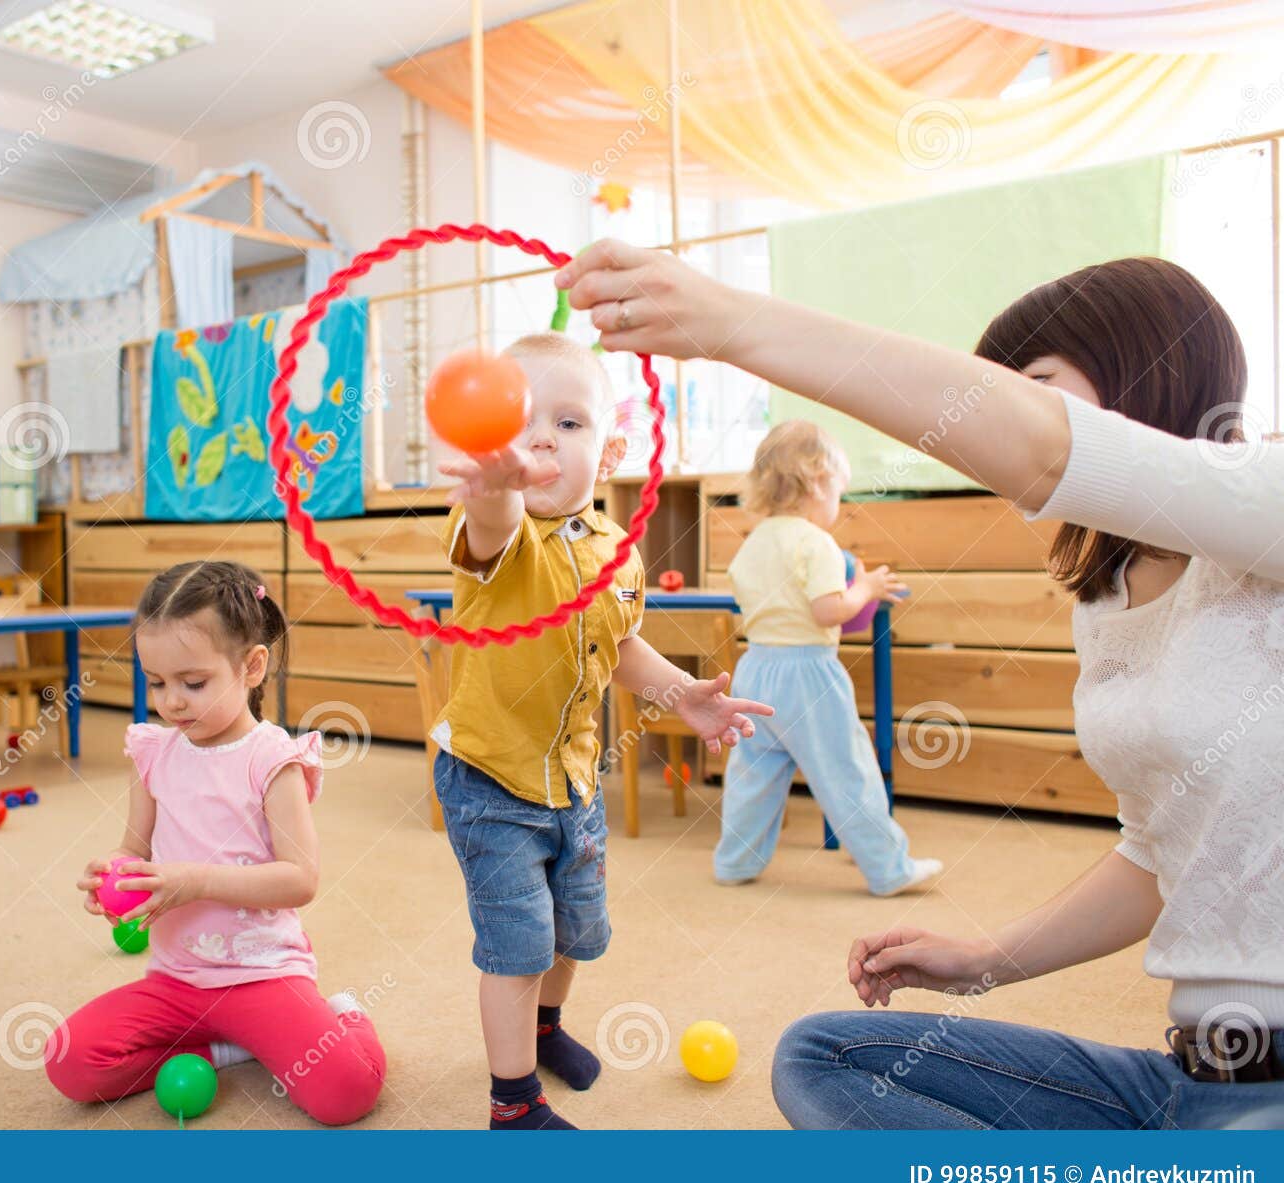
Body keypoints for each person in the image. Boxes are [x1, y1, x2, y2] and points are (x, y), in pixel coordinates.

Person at [555, 242, 1284, 1127]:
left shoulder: (1267, 501)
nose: (993, 430)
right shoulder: (1108, 604)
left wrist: (732, 324)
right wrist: (981, 959)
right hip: (1190, 1081)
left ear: (1143, 369)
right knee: (828, 1057)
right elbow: (1155, 854)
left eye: (1035, 386)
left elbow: (1050, 452)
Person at [432, 331, 772, 1129]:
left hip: (576, 778)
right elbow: (491, 514)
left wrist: (683, 692)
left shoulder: (618, 554)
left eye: (569, 424)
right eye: (520, 423)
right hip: (491, 781)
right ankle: (512, 1106)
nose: (542, 438)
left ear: (611, 450)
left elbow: (619, 643)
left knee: (575, 930)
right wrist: (490, 481)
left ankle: (544, 1031)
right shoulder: (501, 538)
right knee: (517, 942)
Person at [46, 560, 385, 1126]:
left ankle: (343, 1016)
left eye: (193, 683)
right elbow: (134, 848)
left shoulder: (274, 759)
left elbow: (300, 880)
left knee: (345, 1091)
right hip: (177, 979)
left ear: (252, 667)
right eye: (156, 682)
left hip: (263, 975)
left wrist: (195, 881)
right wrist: (115, 877)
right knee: (70, 1062)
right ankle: (225, 1050)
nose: (172, 701)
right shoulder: (153, 752)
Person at [719, 419, 936, 894]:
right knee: (846, 770)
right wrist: (866, 587)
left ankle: (735, 861)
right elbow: (827, 610)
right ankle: (888, 869)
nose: (838, 503)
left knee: (753, 773)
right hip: (809, 674)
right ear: (818, 483)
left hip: (754, 668)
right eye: (838, 491)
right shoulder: (816, 543)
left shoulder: (753, 542)